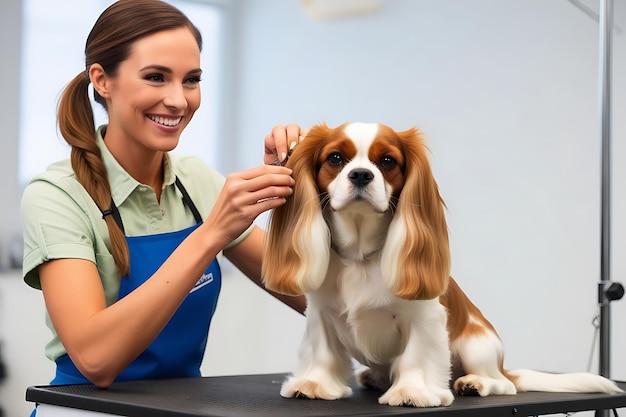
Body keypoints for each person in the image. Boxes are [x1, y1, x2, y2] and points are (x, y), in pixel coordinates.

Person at [20, 0, 306, 403]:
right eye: (156, 77)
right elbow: (96, 360)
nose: (178, 100)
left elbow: (312, 296)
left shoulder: (195, 179)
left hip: (181, 409)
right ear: (102, 80)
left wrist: (312, 189)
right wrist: (211, 234)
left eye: (191, 80)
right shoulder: (56, 195)